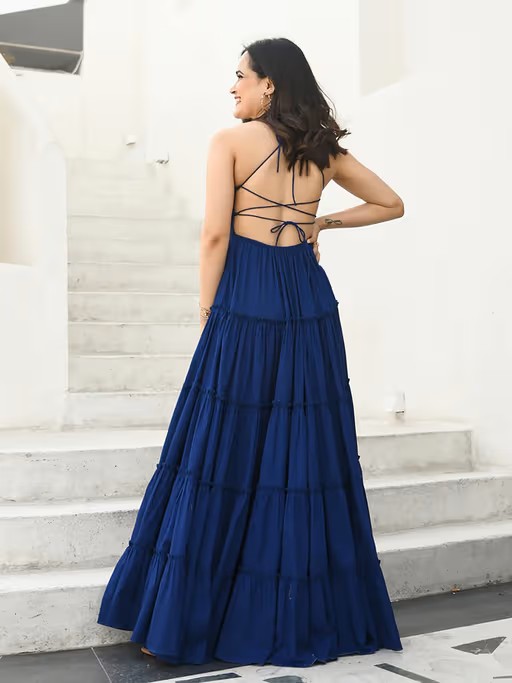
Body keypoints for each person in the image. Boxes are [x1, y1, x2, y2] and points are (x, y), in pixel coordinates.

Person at [98, 37, 405, 668]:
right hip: (307, 302)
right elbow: (391, 204)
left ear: (270, 85)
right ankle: (299, 617)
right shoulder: (323, 150)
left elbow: (215, 235)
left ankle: (183, 619)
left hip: (247, 298)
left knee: (219, 449)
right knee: (300, 455)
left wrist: (207, 309)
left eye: (241, 76)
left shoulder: (229, 143)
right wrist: (320, 223)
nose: (232, 86)